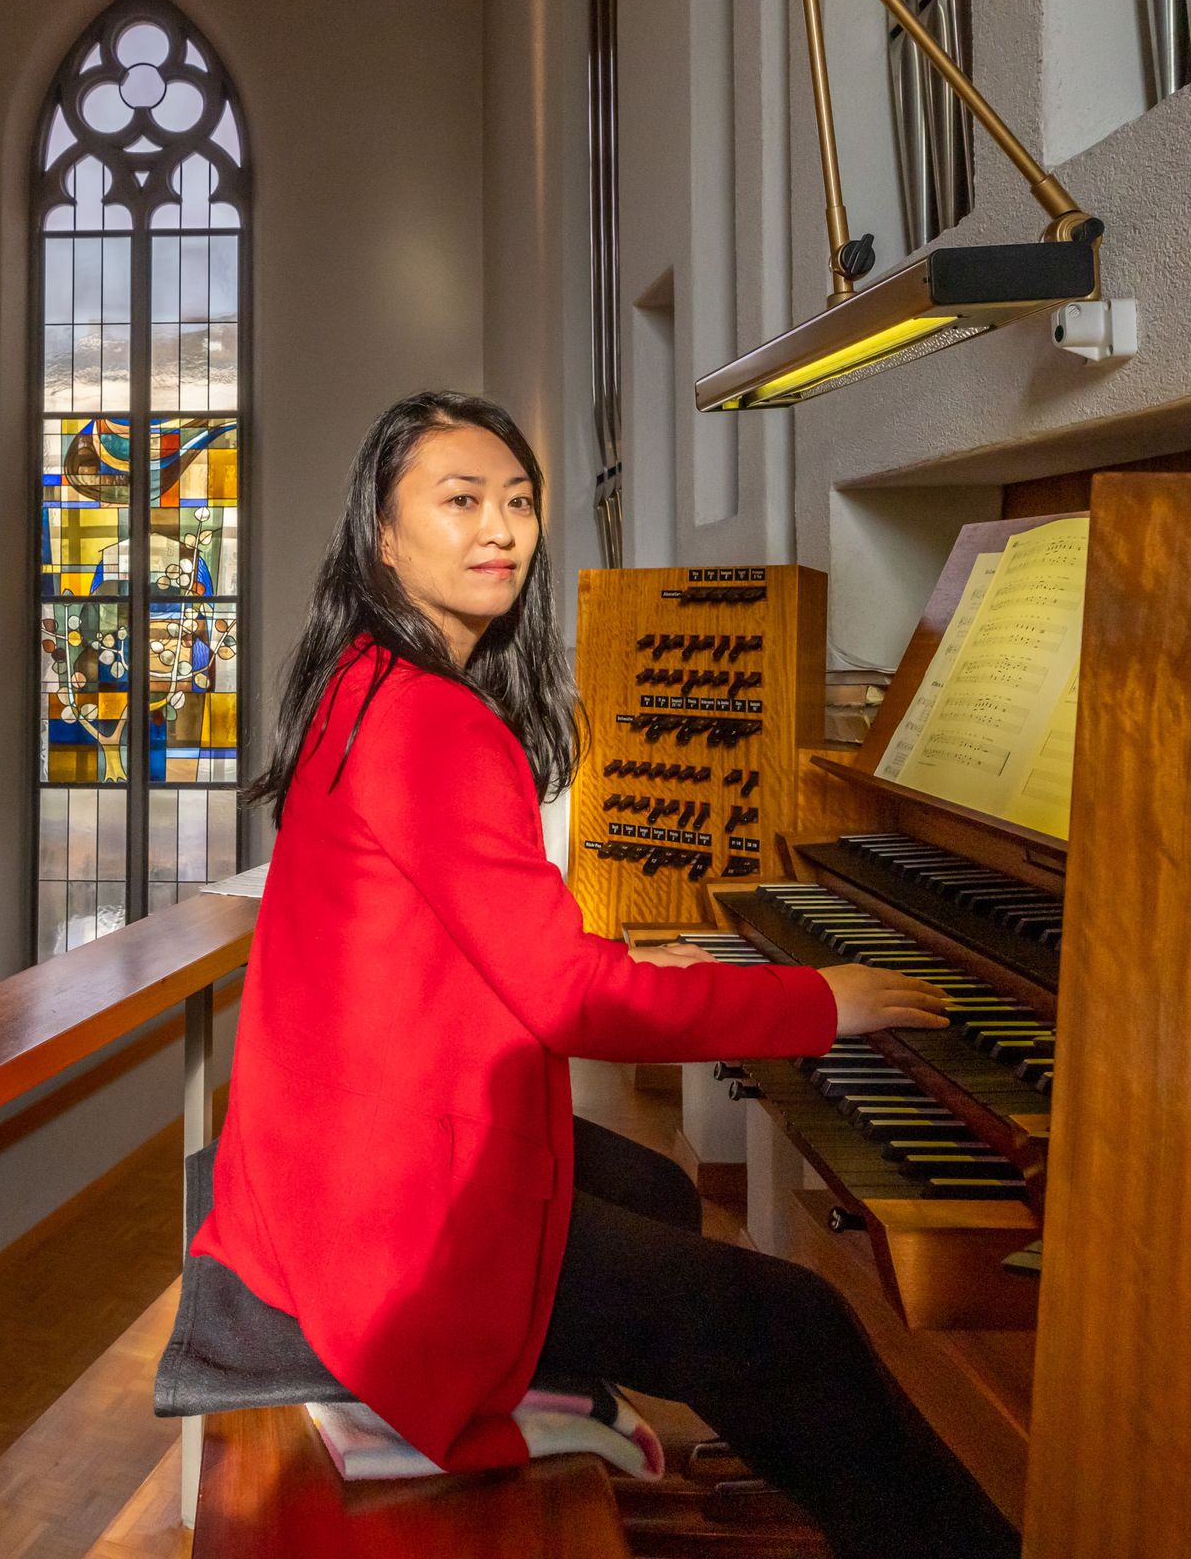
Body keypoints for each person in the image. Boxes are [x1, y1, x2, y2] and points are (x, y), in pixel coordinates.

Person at [189, 391, 1018, 1559]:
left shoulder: (362, 681)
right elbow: (565, 999)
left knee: (649, 1187)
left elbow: (464, 937)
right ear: (381, 532)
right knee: (797, 1322)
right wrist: (823, 999)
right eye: (461, 500)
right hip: (384, 1226)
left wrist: (630, 954)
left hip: (340, 1157)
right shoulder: (430, 719)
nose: (500, 530)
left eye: (518, 503)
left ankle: (689, 1473)